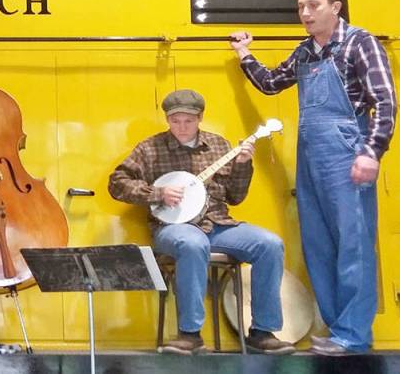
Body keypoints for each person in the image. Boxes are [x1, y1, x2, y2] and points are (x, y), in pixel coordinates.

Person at [229, 0, 397, 355]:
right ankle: (339, 330)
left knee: (353, 246)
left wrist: (372, 151)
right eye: (301, 6)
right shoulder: (305, 52)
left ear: (335, 7)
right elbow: (271, 83)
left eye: (313, 5)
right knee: (318, 246)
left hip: (348, 156)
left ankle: (354, 335)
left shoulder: (360, 43)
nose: (305, 13)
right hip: (311, 160)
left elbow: (385, 101)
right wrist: (244, 54)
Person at [108, 89, 295, 355]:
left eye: (189, 120)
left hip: (218, 225)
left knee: (270, 244)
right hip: (172, 229)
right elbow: (117, 183)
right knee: (192, 243)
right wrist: (158, 193)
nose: (181, 127)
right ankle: (190, 334)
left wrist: (243, 164)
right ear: (167, 119)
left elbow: (236, 196)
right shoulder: (150, 148)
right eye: (175, 121)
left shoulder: (219, 145)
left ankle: (263, 332)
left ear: (200, 118)